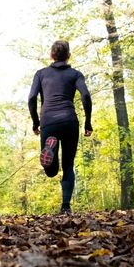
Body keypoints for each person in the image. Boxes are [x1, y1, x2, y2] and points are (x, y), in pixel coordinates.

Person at [27, 39, 92, 214]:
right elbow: (85, 95)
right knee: (68, 165)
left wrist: (35, 122)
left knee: (51, 171)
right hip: (70, 120)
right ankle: (65, 206)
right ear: (68, 55)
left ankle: (51, 146)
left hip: (49, 122)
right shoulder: (75, 74)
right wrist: (88, 121)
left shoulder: (40, 74)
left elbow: (32, 98)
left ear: (51, 55)